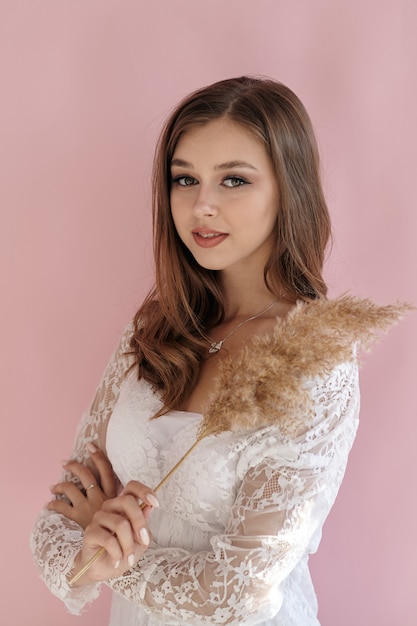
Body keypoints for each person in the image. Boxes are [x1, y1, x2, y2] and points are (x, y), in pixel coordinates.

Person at [30, 76, 406, 625]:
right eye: (185, 179)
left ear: (288, 190)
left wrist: (114, 560)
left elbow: (241, 588)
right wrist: (86, 547)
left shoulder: (314, 360)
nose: (202, 205)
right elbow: (58, 519)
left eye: (233, 180)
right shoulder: (156, 327)